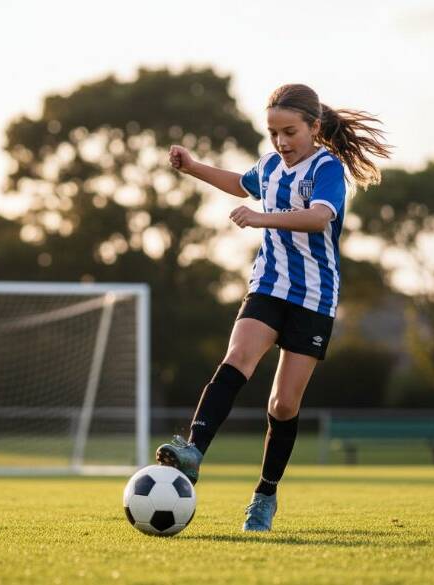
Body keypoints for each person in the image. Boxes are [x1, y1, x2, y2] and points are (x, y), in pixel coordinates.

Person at [156, 83, 391, 532]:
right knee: (237, 359)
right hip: (268, 286)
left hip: (315, 298)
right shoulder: (269, 167)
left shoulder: (327, 168)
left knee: (283, 405)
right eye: (273, 133)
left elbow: (319, 215)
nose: (281, 142)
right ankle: (193, 450)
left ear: (314, 127)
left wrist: (262, 217)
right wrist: (193, 168)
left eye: (290, 132)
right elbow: (240, 184)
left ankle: (264, 494)